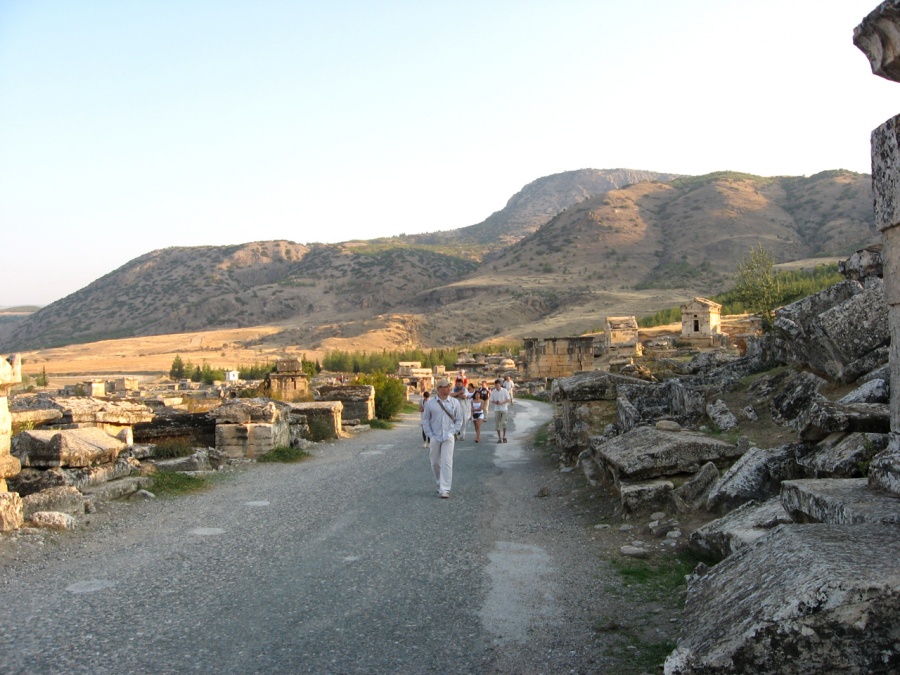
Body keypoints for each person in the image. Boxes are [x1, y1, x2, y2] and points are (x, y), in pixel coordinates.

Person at [421, 378, 463, 498]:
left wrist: (453, 433)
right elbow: (425, 420)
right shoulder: (430, 404)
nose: (449, 388)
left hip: (448, 435)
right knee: (434, 462)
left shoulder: (455, 403)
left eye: (449, 386)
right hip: (435, 436)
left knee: (447, 462)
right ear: (439, 388)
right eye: (446, 387)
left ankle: (445, 489)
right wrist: (430, 435)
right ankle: (439, 482)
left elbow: (459, 419)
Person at [490, 378, 512, 443]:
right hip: (497, 409)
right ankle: (499, 438)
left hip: (504, 408)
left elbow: (509, 399)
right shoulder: (493, 391)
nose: (496, 386)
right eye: (495, 385)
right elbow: (491, 400)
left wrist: (502, 402)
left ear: (500, 385)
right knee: (497, 424)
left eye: (498, 385)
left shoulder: (504, 391)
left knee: (504, 423)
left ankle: (504, 436)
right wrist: (496, 402)